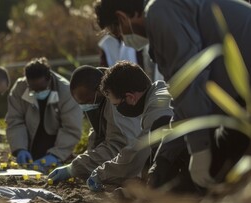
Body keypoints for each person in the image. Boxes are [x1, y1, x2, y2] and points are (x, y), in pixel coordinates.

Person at [94, 0, 251, 189]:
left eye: (118, 32)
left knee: (214, 165)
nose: (123, 39)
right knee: (206, 161)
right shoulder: (162, 23)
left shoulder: (161, 12)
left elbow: (191, 84)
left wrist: (199, 150)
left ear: (122, 17)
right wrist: (162, 159)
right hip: (239, 98)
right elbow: (183, 106)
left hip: (243, 95)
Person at [86, 61, 174, 191]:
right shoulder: (160, 93)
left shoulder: (157, 110)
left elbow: (136, 154)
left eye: (116, 105)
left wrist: (101, 173)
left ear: (130, 97)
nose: (117, 110)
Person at [47, 65, 141, 183]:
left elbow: (118, 147)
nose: (85, 106)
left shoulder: (118, 100)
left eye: (87, 101)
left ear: (99, 89)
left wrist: (74, 168)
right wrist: (84, 166)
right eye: (80, 103)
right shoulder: (100, 98)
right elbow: (98, 138)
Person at [6, 57, 82, 173]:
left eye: (41, 88)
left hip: (54, 138)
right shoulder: (19, 88)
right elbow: (15, 120)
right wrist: (19, 148)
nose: (37, 92)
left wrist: (56, 155)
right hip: (31, 138)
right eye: (33, 89)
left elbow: (71, 128)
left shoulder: (66, 91)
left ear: (49, 79)